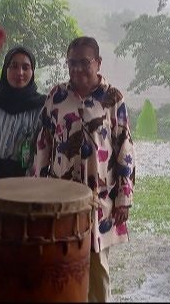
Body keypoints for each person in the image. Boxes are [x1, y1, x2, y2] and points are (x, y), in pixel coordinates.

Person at [32, 36, 135, 302]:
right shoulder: (57, 96)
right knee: (61, 261)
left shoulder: (113, 98)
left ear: (98, 63)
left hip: (98, 199)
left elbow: (124, 146)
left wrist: (124, 197)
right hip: (60, 198)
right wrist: (35, 187)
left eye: (84, 62)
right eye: (71, 63)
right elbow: (43, 143)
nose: (77, 69)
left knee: (97, 265)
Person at [0, 46, 46, 184]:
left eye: (26, 67)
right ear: (5, 69)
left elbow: (41, 149)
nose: (19, 72)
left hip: (26, 181)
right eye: (13, 66)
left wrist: (27, 182)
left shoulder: (41, 106)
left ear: (32, 72)